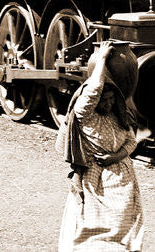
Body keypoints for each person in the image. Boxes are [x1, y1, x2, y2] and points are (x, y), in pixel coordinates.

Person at [57, 41, 144, 251]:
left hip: (122, 177)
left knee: (124, 222)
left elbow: (132, 141)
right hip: (97, 180)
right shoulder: (86, 116)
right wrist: (102, 59)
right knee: (95, 226)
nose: (107, 104)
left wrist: (117, 156)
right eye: (103, 101)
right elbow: (92, 90)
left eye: (111, 100)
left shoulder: (117, 118)